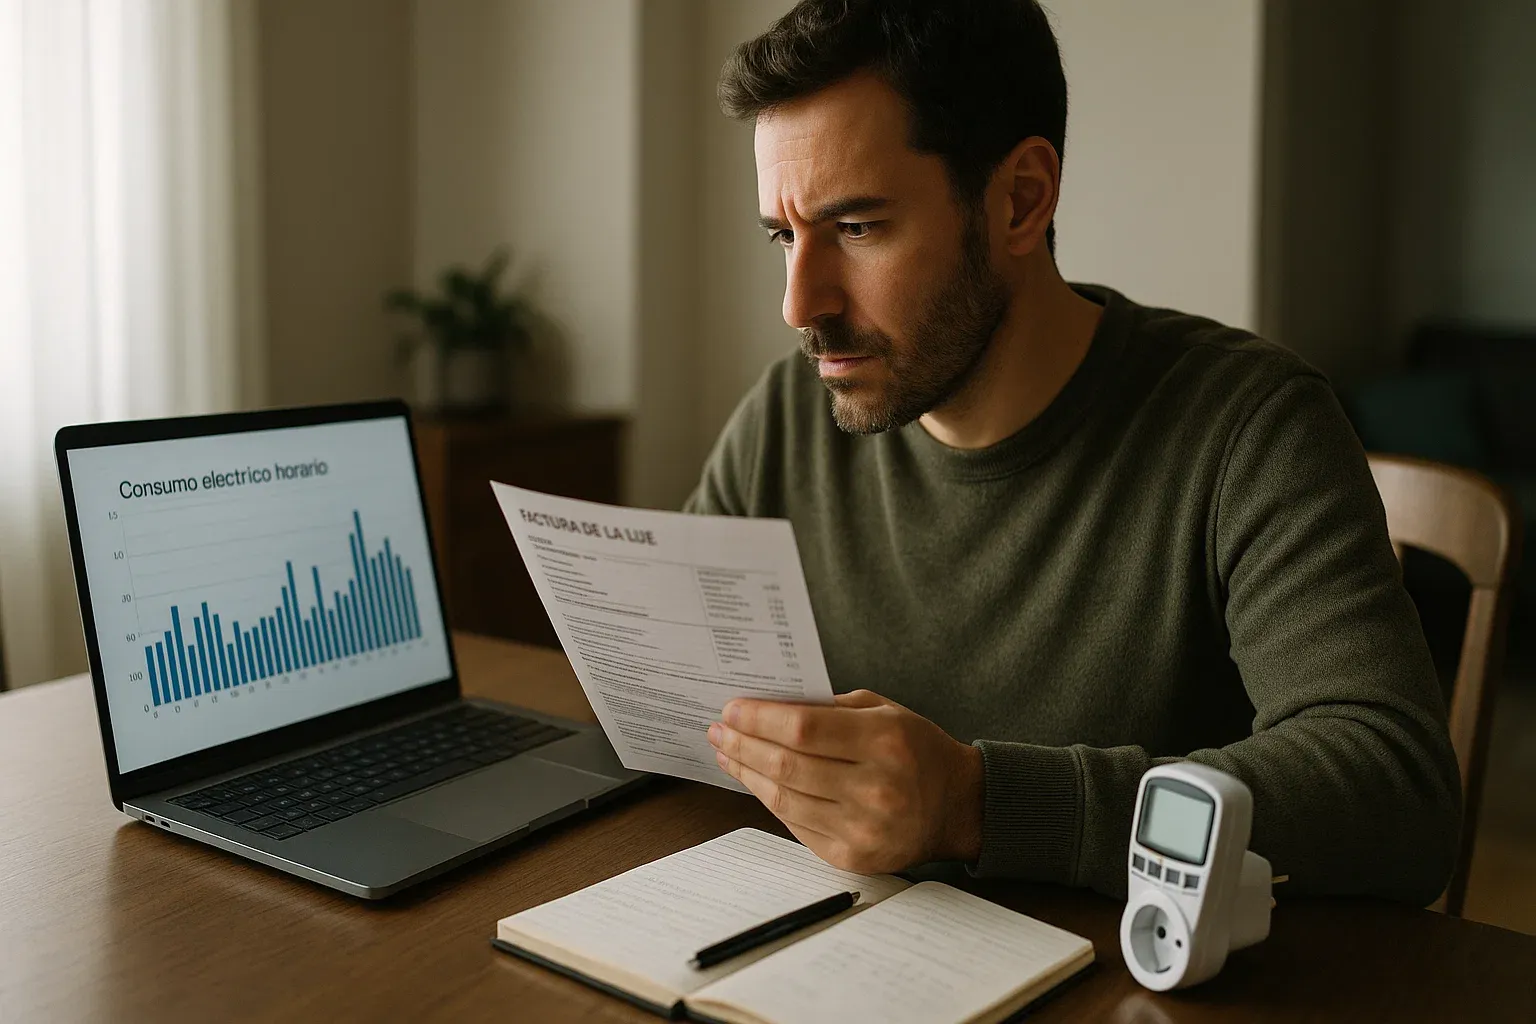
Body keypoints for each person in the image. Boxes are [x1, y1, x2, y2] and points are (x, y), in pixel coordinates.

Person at [687, 0, 1460, 904]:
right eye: (785, 236)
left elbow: (1396, 799)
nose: (800, 306)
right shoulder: (787, 416)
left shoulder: (1248, 426)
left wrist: (980, 805)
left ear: (1020, 198)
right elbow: (688, 694)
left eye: (857, 228)